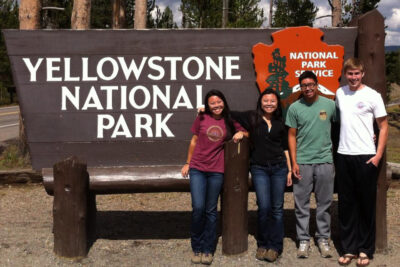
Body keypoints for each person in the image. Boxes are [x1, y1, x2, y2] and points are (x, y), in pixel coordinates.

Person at [181, 89, 246, 265]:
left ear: (223, 102)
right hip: (198, 169)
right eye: (212, 103)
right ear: (208, 105)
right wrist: (188, 162)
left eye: (219, 102)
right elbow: (194, 140)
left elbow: (246, 133)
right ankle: (197, 247)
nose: (216, 105)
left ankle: (208, 249)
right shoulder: (201, 118)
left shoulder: (230, 120)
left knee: (211, 210)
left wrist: (241, 134)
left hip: (217, 170)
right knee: (198, 208)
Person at [335, 58, 388, 267]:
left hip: (366, 156)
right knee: (346, 205)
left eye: (357, 73)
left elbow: (383, 126)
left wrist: (377, 155)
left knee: (366, 205)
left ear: (362, 74)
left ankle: (365, 249)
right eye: (350, 74)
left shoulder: (372, 96)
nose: (354, 77)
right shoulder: (340, 93)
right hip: (343, 154)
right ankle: (349, 248)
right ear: (345, 74)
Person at [230, 88, 292, 262]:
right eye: (266, 101)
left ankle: (275, 246)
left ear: (277, 103)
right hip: (259, 169)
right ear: (260, 102)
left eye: (272, 101)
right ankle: (263, 244)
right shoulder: (252, 117)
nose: (269, 104)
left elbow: (285, 147)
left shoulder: (281, 121)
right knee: (264, 207)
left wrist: (288, 169)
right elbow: (228, 114)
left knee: (277, 209)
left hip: (279, 168)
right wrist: (242, 132)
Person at [285, 70, 336, 259]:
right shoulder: (294, 108)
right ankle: (303, 240)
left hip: (324, 161)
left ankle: (323, 238)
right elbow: (291, 135)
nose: (308, 88)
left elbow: (344, 125)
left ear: (316, 85)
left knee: (324, 203)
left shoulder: (330, 105)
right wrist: (294, 162)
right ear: (301, 87)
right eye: (304, 85)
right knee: (302, 204)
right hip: (303, 162)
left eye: (311, 84)